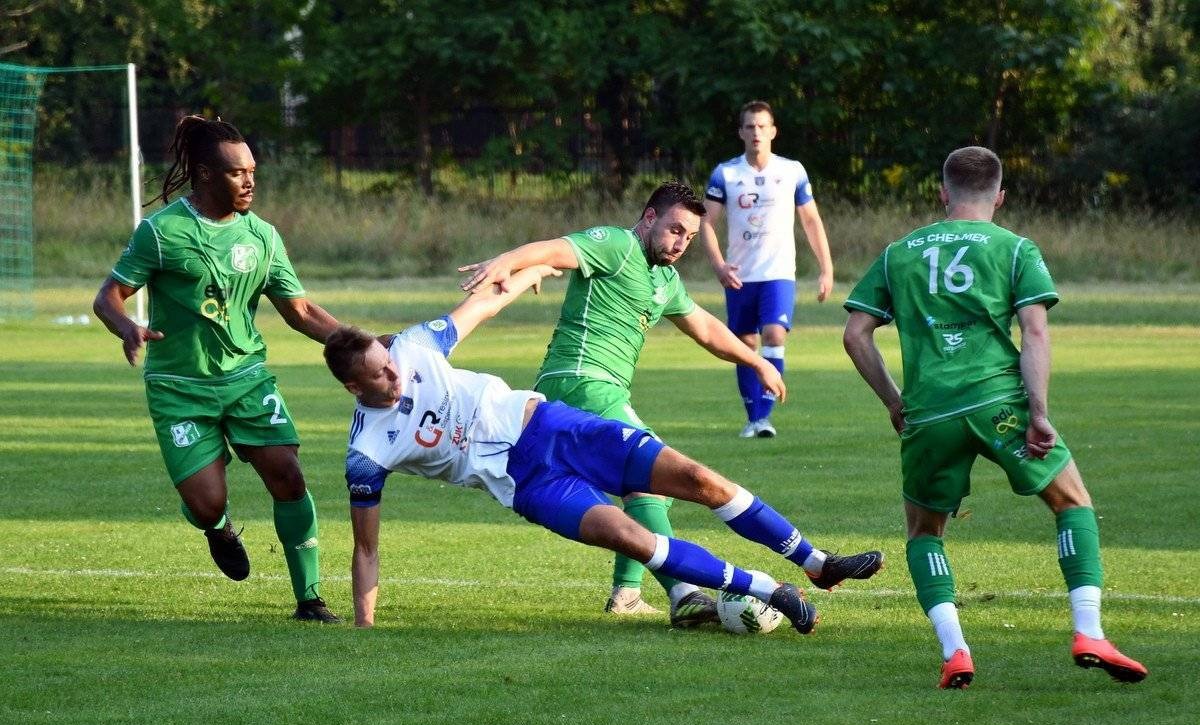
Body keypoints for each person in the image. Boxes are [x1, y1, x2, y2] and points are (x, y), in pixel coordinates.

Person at [326, 265, 867, 634]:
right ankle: (774, 591)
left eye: (391, 359)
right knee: (636, 539)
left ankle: (818, 562)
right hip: (530, 486)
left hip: (556, 427)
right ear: (356, 388)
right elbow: (367, 549)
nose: (396, 371)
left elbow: (480, 306)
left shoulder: (413, 345)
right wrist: (365, 628)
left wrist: (530, 272)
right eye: (381, 373)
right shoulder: (367, 451)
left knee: (701, 480)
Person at [458, 181, 882, 625]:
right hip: (579, 385)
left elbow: (704, 327)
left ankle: (636, 593)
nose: (680, 243)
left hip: (601, 393)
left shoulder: (664, 278)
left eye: (690, 237)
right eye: (675, 230)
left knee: (647, 491)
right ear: (649, 218)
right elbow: (554, 249)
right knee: (680, 478)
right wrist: (504, 263)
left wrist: (757, 362)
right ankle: (789, 568)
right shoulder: (617, 245)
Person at [842, 145, 1147, 689]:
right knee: (1071, 500)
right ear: (1000, 196)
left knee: (924, 532)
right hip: (996, 401)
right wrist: (1040, 412)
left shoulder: (899, 253)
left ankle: (955, 651)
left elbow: (855, 334)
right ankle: (1089, 631)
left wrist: (895, 401)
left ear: (942, 193)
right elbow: (1034, 332)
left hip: (930, 412)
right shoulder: (1014, 249)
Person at [92, 115, 342, 623]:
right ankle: (218, 527)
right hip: (179, 388)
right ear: (205, 175)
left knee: (289, 478)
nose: (249, 181)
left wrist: (356, 343)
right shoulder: (161, 233)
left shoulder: (264, 237)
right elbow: (108, 296)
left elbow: (300, 311)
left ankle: (310, 599)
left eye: (252, 171)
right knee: (206, 505)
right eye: (236, 173)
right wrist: (126, 327)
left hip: (247, 378)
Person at [699, 100, 835, 438]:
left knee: (773, 334)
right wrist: (718, 264)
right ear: (741, 132)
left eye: (762, 126)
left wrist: (826, 269)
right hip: (740, 275)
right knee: (744, 345)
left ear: (773, 131)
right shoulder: (726, 174)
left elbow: (811, 220)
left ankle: (764, 418)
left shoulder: (792, 171)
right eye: (750, 126)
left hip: (779, 273)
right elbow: (705, 222)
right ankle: (753, 418)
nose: (756, 132)